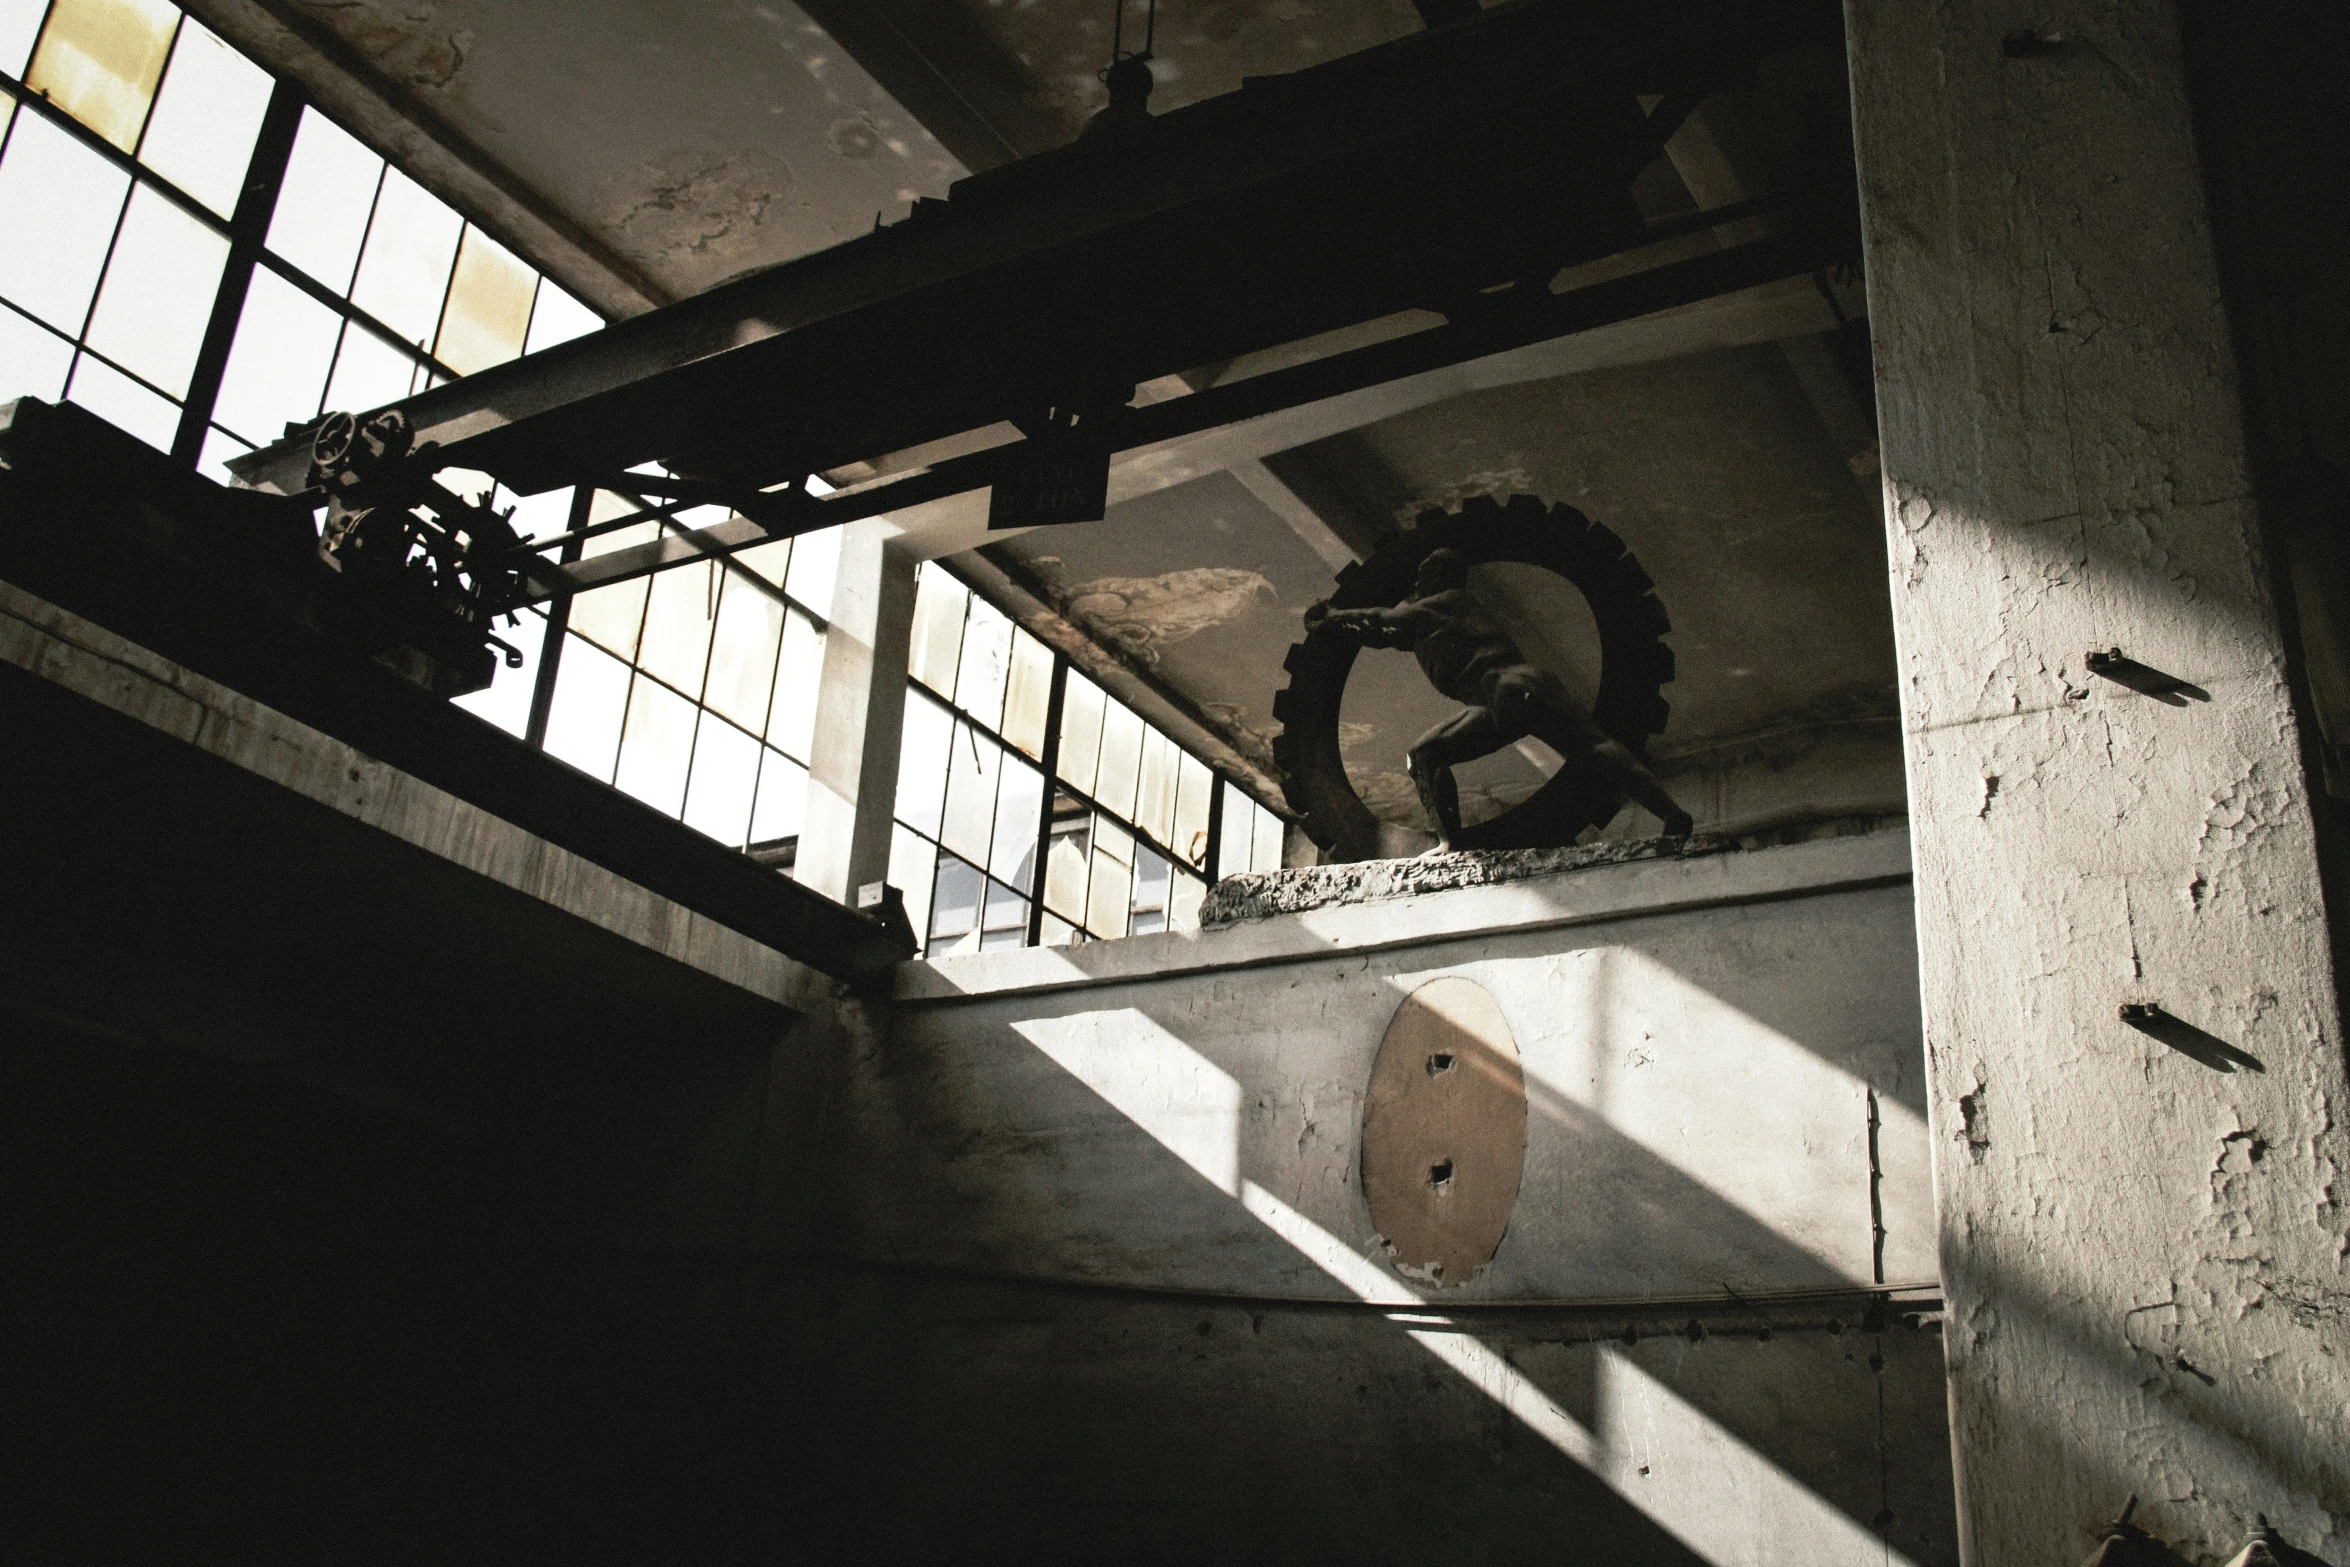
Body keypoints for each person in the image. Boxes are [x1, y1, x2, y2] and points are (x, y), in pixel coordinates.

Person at [1305, 548, 1693, 847]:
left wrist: (1334, 616)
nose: (1418, 577)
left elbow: (1384, 620)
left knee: (1425, 755)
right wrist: (1340, 628)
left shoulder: (1447, 601)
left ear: (1441, 575)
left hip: (1505, 690)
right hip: (1517, 692)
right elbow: (1383, 634)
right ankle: (1672, 813)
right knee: (1595, 747)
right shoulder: (1438, 621)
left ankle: (1450, 844)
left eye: (1426, 570)